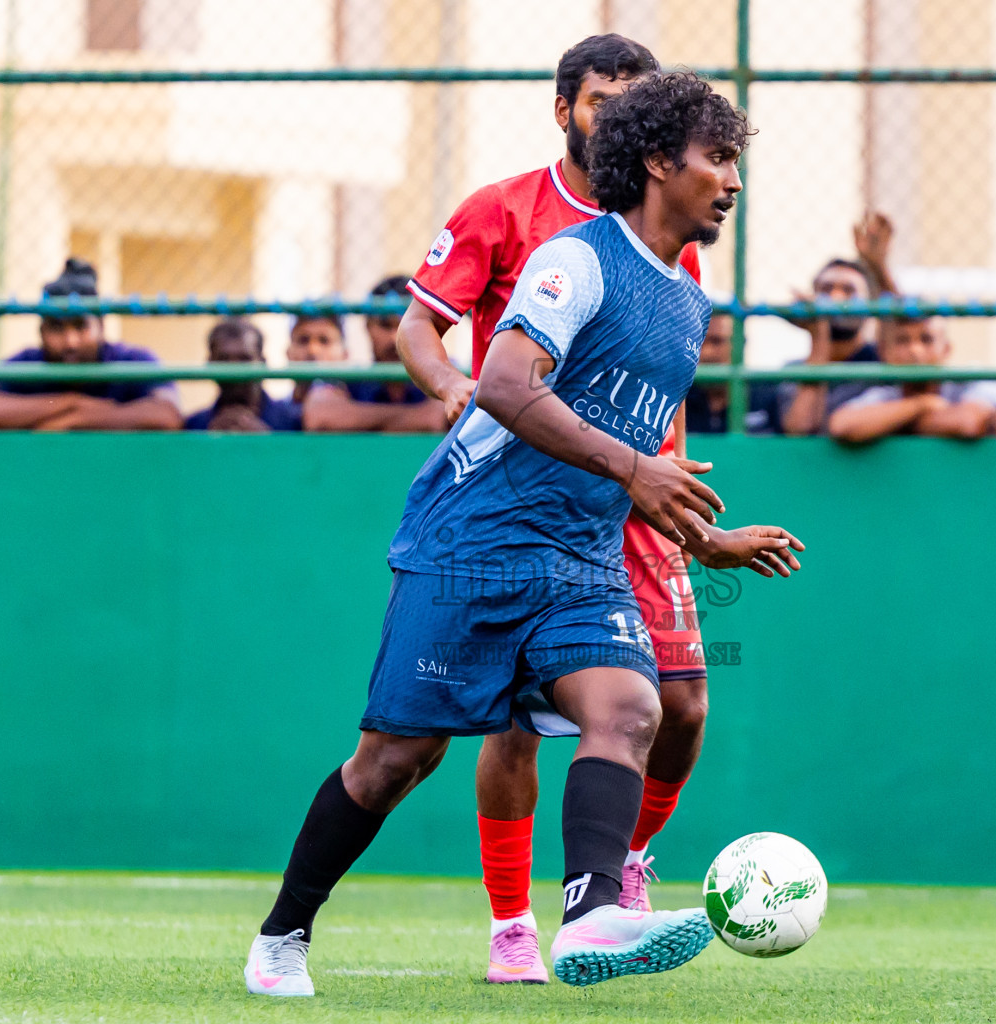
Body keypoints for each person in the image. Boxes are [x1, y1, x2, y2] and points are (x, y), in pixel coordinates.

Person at [243, 71, 796, 997]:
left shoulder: (688, 303)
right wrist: (634, 470)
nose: (734, 181)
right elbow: (503, 385)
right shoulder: (575, 261)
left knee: (632, 710)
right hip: (471, 541)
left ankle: (591, 917)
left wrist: (705, 541)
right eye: (720, 158)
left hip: (581, 556)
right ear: (661, 163)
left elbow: (630, 448)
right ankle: (282, 934)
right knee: (394, 762)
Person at [394, 35, 713, 984]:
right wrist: (454, 388)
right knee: (517, 722)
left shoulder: (669, 227)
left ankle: (622, 868)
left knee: (683, 702)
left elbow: (663, 359)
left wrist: (670, 471)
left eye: (635, 103)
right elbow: (419, 327)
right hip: (529, 491)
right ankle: (513, 923)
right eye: (601, 100)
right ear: (564, 108)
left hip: (636, 488)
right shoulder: (504, 210)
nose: (617, 118)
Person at [0, 258, 182, 431]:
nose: (70, 342)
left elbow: (167, 416)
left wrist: (75, 420)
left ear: (101, 327)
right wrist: (71, 402)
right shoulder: (28, 363)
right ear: (41, 332)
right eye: (56, 328)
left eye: (81, 326)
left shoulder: (131, 360)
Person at [777, 215, 899, 437]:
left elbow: (907, 327)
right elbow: (801, 428)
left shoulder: (883, 360)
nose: (836, 297)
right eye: (826, 289)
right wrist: (819, 333)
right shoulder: (793, 371)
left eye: (849, 290)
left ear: (870, 303)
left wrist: (879, 268)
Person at [827, 307, 996, 443]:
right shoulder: (887, 393)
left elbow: (968, 422)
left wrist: (890, 424)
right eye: (902, 340)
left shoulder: (970, 379)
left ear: (946, 349)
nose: (915, 350)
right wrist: (922, 404)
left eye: (926, 340)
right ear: (884, 353)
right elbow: (842, 425)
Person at [302, 276, 446, 433]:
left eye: (407, 326)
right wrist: (417, 417)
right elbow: (319, 416)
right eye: (385, 325)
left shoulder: (442, 373)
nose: (394, 338)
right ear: (367, 326)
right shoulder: (352, 380)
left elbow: (436, 418)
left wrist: (358, 419)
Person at [185, 318, 301, 432]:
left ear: (262, 362)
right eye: (224, 360)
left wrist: (266, 440)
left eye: (244, 359)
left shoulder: (295, 423)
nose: (234, 370)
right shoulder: (193, 426)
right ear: (210, 364)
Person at [286, 309, 347, 405]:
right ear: (288, 353)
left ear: (344, 355)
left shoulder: (365, 402)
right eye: (303, 340)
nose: (313, 350)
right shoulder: (274, 410)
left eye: (324, 340)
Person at [684, 312, 732, 433]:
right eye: (698, 342)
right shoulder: (678, 401)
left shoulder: (765, 398)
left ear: (741, 343)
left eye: (716, 341)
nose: (706, 352)